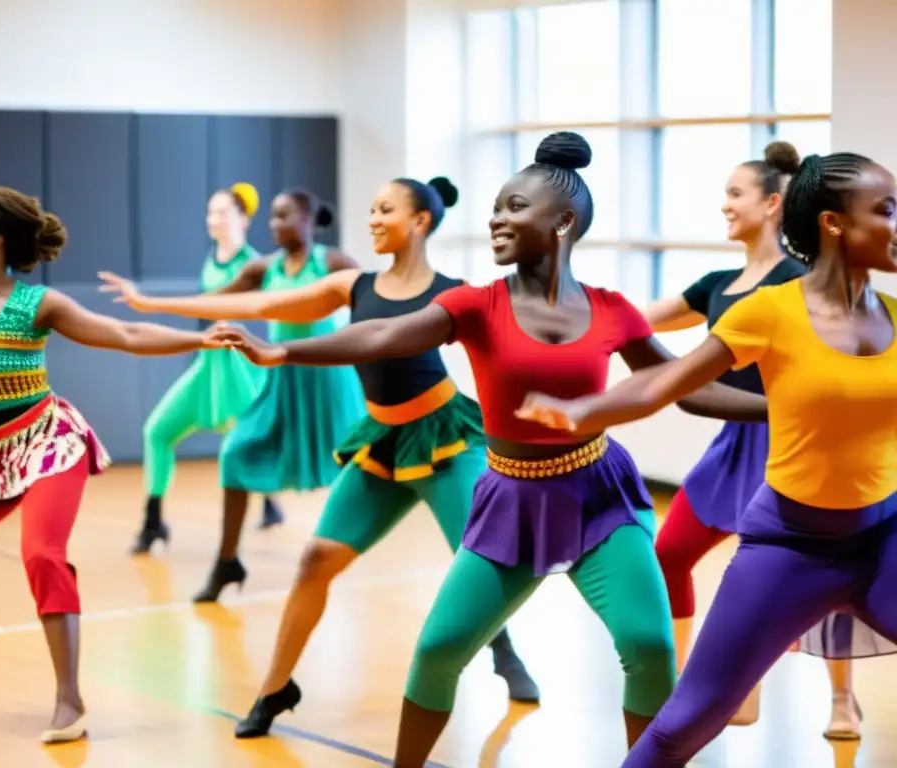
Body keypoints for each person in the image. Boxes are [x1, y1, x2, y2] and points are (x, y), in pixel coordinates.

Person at [207, 132, 771, 765]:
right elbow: (383, 335)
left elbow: (685, 387)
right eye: (496, 207)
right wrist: (285, 350)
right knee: (438, 650)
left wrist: (780, 404)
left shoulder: (614, 312)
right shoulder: (476, 305)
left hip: (597, 495)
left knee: (648, 642)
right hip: (511, 500)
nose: (496, 218)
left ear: (560, 223)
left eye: (513, 207)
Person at [105, 175, 541, 737]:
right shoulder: (351, 284)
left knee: (476, 558)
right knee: (315, 561)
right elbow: (259, 299)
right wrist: (151, 301)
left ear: (420, 222)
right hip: (382, 442)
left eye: (386, 209)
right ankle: (275, 687)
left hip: (444, 441)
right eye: (372, 209)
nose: (373, 218)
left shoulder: (455, 292)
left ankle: (505, 652)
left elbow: (510, 356)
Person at [516, 150, 897, 766]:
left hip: (885, 536)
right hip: (791, 547)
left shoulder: (896, 318)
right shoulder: (771, 311)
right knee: (685, 725)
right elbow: (669, 382)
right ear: (834, 224)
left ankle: (842, 701)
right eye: (886, 209)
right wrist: (588, 409)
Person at [0, 186, 221, 743]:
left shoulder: (38, 305)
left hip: (47, 444)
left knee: (42, 553)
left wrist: (202, 339)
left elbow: (128, 334)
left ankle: (70, 700)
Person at [645, 141, 871, 738]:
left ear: (773, 204)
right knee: (670, 553)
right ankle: (689, 678)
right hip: (731, 448)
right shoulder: (718, 283)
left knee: (824, 581)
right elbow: (646, 319)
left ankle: (842, 699)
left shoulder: (796, 282)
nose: (724, 205)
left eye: (734, 193)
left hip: (794, 446)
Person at [100, 189, 366, 602]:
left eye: (285, 217)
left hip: (328, 378)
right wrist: (148, 302)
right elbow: (213, 303)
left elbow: (372, 313)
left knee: (364, 467)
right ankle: (228, 562)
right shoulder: (264, 268)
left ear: (309, 219)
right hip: (281, 376)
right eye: (273, 218)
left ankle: (354, 548)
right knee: (236, 455)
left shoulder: (334, 263)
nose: (276, 225)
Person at [131, 183, 283, 556]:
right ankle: (153, 520)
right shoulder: (211, 256)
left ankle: (267, 504)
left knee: (247, 440)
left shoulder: (256, 264)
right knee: (157, 431)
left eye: (222, 212)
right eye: (210, 212)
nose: (213, 220)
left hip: (239, 365)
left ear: (243, 220)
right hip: (208, 363)